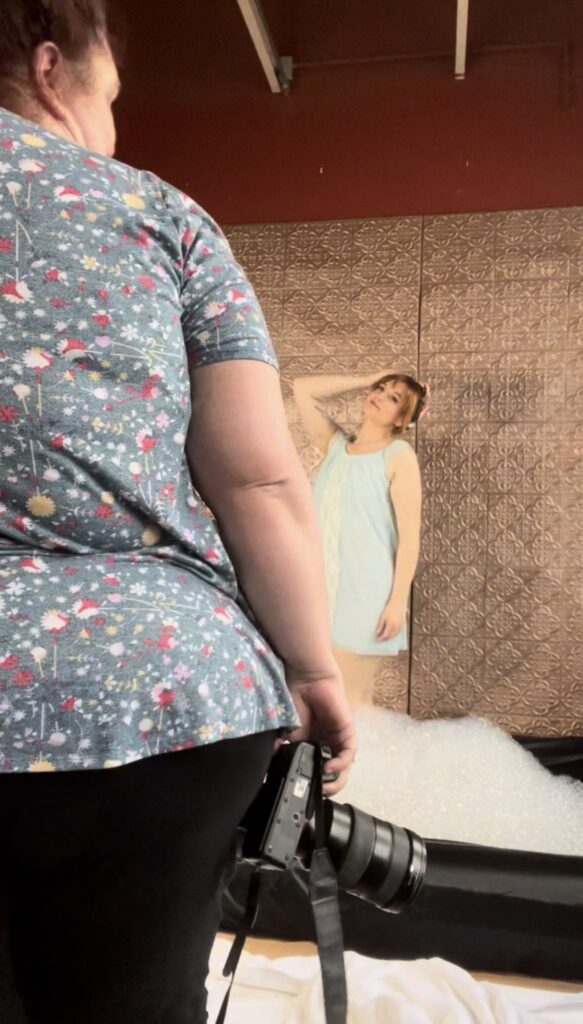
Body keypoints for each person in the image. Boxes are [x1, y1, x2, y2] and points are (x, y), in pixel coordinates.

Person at [0, 3, 356, 1022]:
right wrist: (313, 670)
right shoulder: (160, 215)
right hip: (156, 690)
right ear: (51, 67)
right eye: (111, 97)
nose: (114, 127)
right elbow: (256, 480)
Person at [293, 371, 427, 707]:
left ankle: (364, 743)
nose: (379, 394)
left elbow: (410, 539)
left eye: (393, 397)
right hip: (322, 590)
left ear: (402, 419)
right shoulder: (335, 447)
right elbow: (302, 389)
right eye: (380, 389)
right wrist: (369, 378)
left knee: (349, 699)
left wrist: (396, 603)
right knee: (329, 698)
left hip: (368, 595)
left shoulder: (398, 456)